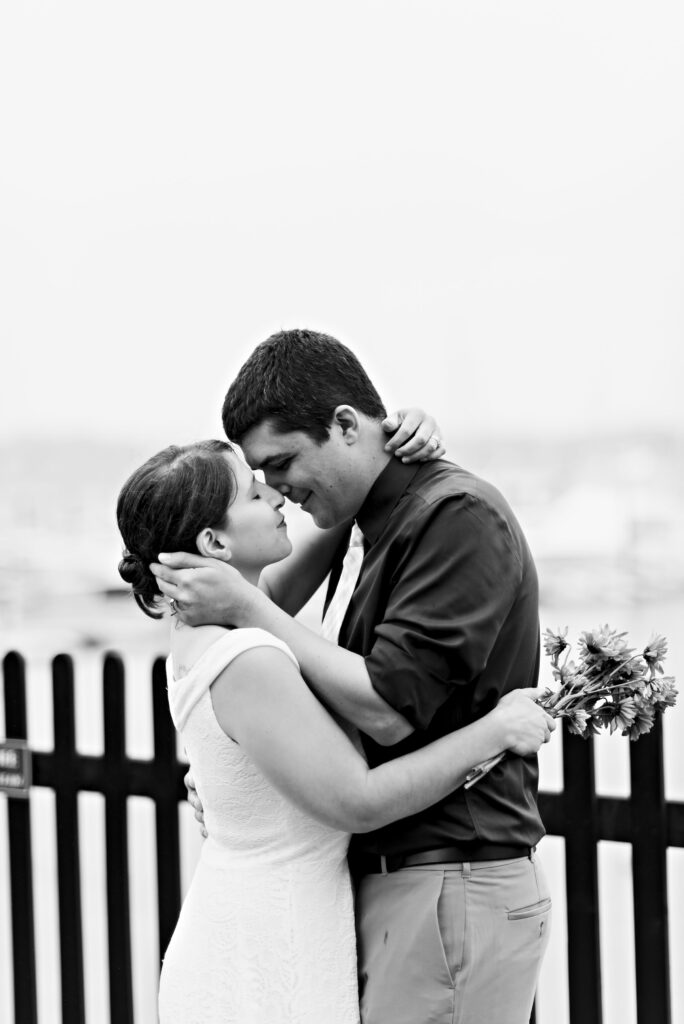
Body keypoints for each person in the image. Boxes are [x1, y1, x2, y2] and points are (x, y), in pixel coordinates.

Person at [150, 329, 555, 1024]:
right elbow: (282, 663)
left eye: (280, 465)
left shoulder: (453, 516)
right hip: (384, 887)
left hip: (445, 878)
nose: (278, 491)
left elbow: (387, 708)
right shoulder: (363, 521)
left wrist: (250, 606)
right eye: (259, 481)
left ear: (343, 424)